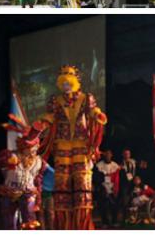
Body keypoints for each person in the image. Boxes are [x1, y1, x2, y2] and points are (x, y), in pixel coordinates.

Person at [36, 65, 107, 229]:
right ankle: (65, 226)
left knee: (82, 186)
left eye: (69, 77)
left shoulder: (85, 98)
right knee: (62, 187)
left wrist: (98, 115)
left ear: (75, 80)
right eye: (63, 78)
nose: (66, 82)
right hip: (62, 146)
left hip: (81, 146)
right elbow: (50, 116)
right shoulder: (56, 100)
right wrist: (41, 123)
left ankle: (82, 226)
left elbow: (92, 111)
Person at [0, 120, 47, 230]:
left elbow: (38, 180)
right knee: (10, 224)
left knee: (29, 222)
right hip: (9, 191)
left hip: (28, 193)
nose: (33, 149)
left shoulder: (39, 162)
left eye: (34, 147)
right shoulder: (10, 155)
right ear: (23, 146)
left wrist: (39, 198)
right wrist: (6, 161)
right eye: (29, 147)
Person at [95, 149, 121, 228]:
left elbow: (118, 178)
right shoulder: (99, 165)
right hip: (103, 187)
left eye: (109, 154)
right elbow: (97, 178)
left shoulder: (115, 165)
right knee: (103, 206)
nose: (107, 156)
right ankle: (105, 222)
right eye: (106, 154)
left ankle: (114, 221)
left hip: (113, 188)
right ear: (104, 155)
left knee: (114, 205)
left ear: (111, 155)